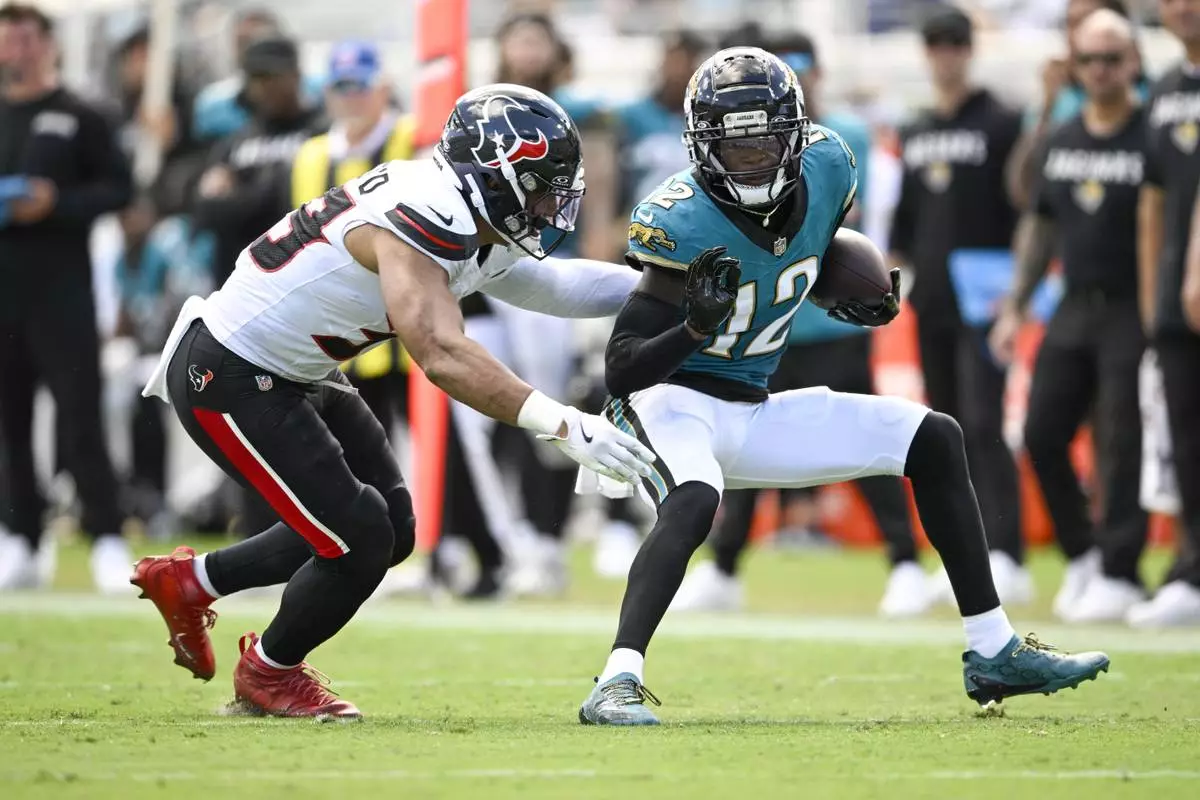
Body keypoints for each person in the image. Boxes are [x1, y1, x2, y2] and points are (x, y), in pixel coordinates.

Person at [575, 47, 1109, 726]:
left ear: (795, 133)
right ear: (701, 147)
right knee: (695, 496)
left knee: (933, 437)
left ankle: (993, 650)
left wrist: (855, 298)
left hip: (752, 405)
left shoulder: (830, 165)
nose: (753, 159)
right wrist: (692, 329)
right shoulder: (677, 219)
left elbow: (808, 252)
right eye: (733, 147)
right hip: (667, 401)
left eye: (765, 140)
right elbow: (619, 370)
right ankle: (616, 680)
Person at [131, 85, 656, 719]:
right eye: (541, 185)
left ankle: (189, 583)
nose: (551, 203)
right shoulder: (426, 211)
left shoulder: (465, 210)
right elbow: (438, 350)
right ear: (493, 172)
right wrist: (565, 425)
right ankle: (269, 673)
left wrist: (662, 291)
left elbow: (548, 284)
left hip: (298, 370)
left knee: (390, 527)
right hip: (231, 373)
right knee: (357, 537)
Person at [671, 30, 926, 619]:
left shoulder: (841, 145)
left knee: (871, 441)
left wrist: (870, 284)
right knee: (745, 444)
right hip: (760, 323)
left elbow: (850, 226)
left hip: (827, 323)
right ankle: (726, 565)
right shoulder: (726, 152)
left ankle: (906, 562)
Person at [990, 9, 1148, 623]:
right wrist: (1017, 306)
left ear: (1133, 62)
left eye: (1113, 59)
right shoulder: (1061, 135)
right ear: (1075, 64)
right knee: (1041, 434)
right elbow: (1036, 217)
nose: (1102, 71)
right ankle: (1083, 553)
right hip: (1073, 307)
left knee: (1121, 442)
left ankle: (1122, 570)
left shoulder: (1150, 133)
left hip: (1134, 308)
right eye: (1090, 59)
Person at [890, 7, 1029, 604]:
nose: (945, 54)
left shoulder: (1002, 121)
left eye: (954, 43)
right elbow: (905, 218)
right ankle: (963, 554)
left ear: (969, 49)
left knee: (985, 420)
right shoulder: (916, 128)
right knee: (943, 428)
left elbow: (1023, 211)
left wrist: (1017, 296)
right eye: (935, 44)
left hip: (987, 297)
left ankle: (1009, 550)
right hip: (935, 299)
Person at [0, 3, 134, 592]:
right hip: (4, 292)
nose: (18, 51)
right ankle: (20, 539)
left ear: (48, 45)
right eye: (8, 41)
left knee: (81, 416)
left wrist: (58, 204)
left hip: (64, 292)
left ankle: (105, 534)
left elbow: (120, 189)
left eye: (28, 39)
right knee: (10, 422)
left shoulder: (82, 114)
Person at [290, 40, 416, 438]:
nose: (350, 99)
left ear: (382, 88)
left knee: (440, 459)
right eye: (340, 88)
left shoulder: (412, 137)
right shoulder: (312, 155)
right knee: (364, 457)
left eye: (359, 87)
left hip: (417, 326)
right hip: (347, 330)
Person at [1131, 0, 1200, 627]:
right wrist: (1157, 292)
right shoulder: (1166, 90)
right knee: (1185, 437)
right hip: (1179, 305)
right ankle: (1190, 570)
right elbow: (1151, 198)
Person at [1005, 0, 1148, 211]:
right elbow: (1024, 190)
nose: (1077, 32)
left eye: (1087, 20)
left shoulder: (1148, 97)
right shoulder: (1056, 96)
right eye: (1070, 23)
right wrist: (1047, 106)